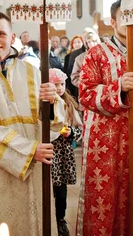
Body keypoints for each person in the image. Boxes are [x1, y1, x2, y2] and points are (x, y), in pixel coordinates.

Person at [76, 0, 133, 236]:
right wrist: (118, 88)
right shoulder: (96, 54)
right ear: (113, 21)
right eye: (126, 16)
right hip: (104, 145)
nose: (132, 22)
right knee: (103, 202)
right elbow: (85, 94)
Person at [0, 11, 59, 236]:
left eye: (0, 33)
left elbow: (51, 123)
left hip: (34, 169)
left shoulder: (33, 72)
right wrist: (30, 150)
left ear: (12, 36)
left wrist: (52, 102)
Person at [49, 69, 83, 236]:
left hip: (63, 154)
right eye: (55, 85)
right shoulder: (45, 104)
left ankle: (60, 219)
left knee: (61, 191)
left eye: (61, 84)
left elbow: (79, 129)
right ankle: (49, 219)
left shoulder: (69, 104)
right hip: (49, 152)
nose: (60, 88)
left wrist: (71, 133)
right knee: (49, 189)